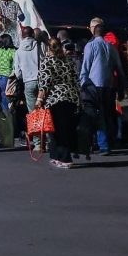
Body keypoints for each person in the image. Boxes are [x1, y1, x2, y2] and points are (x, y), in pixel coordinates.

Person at [79, 21, 124, 156]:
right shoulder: (110, 47)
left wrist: (82, 85)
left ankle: (102, 144)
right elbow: (119, 69)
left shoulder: (90, 46)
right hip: (109, 85)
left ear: (94, 31)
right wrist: (121, 86)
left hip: (94, 85)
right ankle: (109, 141)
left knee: (96, 115)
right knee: (108, 113)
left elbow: (85, 67)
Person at [36, 32, 81, 169]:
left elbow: (45, 83)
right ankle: (55, 155)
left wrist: (39, 100)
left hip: (55, 99)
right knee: (66, 127)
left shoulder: (47, 61)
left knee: (56, 130)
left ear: (48, 48)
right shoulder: (68, 61)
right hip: (71, 97)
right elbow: (76, 80)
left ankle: (65, 158)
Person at [14, 27, 43, 152]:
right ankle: (49, 140)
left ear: (22, 35)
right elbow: (44, 62)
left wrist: (24, 75)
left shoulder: (18, 51)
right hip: (41, 82)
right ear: (32, 34)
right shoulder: (39, 46)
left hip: (28, 83)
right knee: (44, 111)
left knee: (33, 114)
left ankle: (38, 143)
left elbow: (17, 73)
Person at [0, 33, 17, 113]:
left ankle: (1, 112)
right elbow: (15, 65)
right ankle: (7, 114)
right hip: (7, 77)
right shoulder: (13, 51)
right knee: (6, 95)